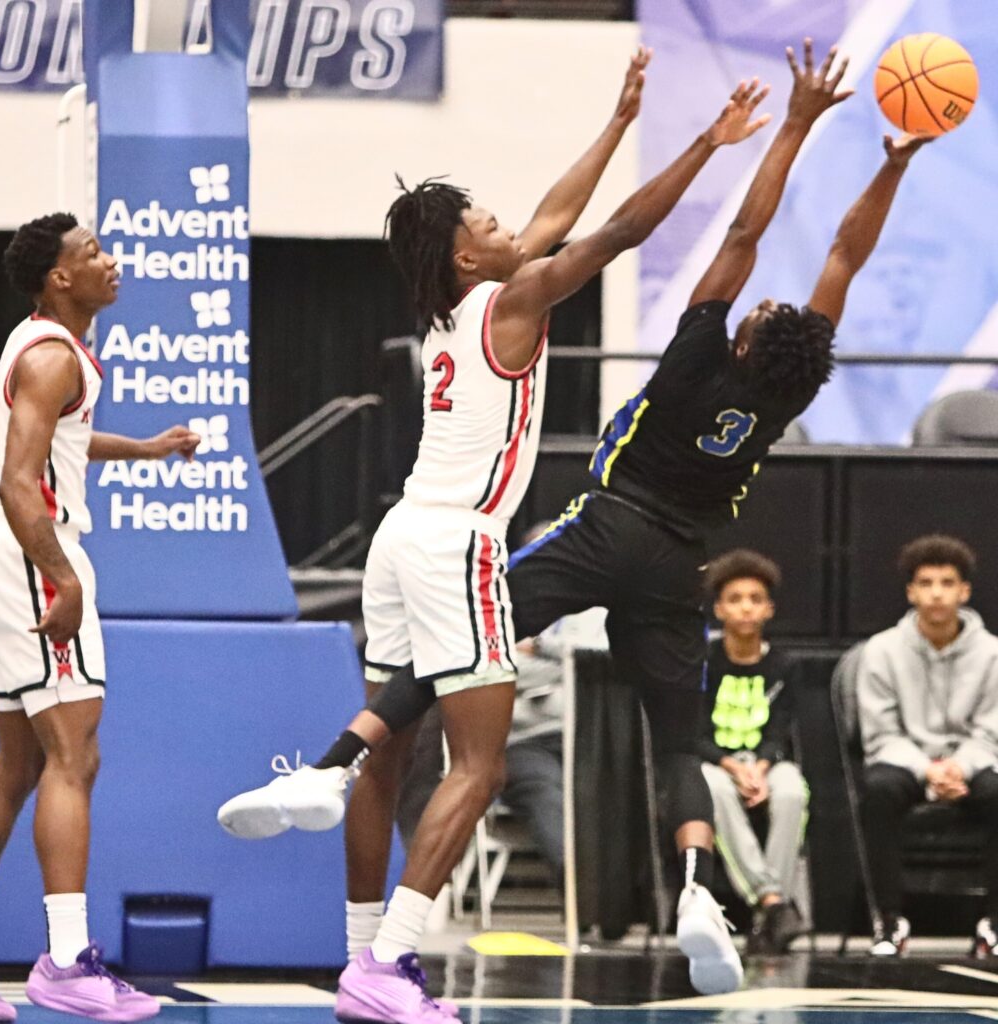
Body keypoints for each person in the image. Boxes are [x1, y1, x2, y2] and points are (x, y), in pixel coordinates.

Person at [228, 38, 932, 997]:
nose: (513, 223)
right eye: (489, 219)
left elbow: (705, 236)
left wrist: (756, 125)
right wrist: (841, 157)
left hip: (511, 528)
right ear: (469, 250)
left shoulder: (481, 313)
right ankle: (682, 892)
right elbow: (792, 251)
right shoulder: (779, 399)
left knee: (428, 704)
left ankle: (336, 785)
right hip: (654, 554)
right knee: (595, 749)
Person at [0, 213, 199, 1022]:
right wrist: (62, 576)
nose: (112, 261)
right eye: (93, 253)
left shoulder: (53, 352)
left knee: (19, 765)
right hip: (32, 555)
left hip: (9, 556)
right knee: (74, 755)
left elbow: (60, 445)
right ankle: (67, 963)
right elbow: (17, 480)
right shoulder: (48, 355)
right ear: (59, 278)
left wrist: (142, 449)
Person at [857, 534, 998, 958]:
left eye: (947, 582)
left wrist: (960, 767)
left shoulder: (992, 654)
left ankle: (993, 924)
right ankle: (889, 921)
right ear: (911, 591)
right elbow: (880, 734)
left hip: (969, 765)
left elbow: (991, 732)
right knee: (878, 791)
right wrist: (928, 770)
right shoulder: (881, 650)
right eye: (926, 582)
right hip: (906, 763)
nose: (937, 593)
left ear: (964, 591)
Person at [698, 550, 807, 955]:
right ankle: (773, 899)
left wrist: (760, 769)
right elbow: (694, 733)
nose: (746, 606)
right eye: (736, 598)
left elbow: (780, 730)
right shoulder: (702, 662)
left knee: (793, 790)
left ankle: (769, 910)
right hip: (715, 763)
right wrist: (731, 767)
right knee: (715, 790)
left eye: (755, 598)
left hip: (763, 762)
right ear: (720, 609)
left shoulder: (784, 665)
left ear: (769, 609)